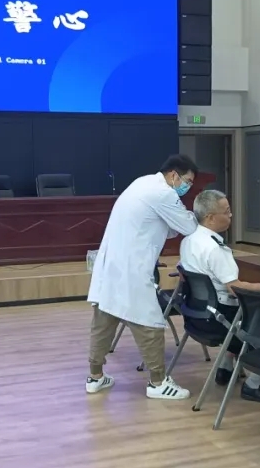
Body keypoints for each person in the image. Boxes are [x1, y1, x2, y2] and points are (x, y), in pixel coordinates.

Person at [86, 154, 200, 400]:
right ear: (174, 175)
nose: (187, 187)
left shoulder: (142, 183)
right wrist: (196, 216)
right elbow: (188, 227)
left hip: (110, 265)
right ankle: (158, 382)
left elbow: (161, 226)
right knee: (150, 322)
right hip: (132, 269)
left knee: (103, 321)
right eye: (188, 181)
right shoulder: (164, 193)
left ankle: (95, 377)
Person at [179, 189, 260, 405]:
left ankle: (225, 368)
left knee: (239, 319)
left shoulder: (189, 241)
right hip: (219, 319)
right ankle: (253, 385)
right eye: (226, 211)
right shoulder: (215, 248)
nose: (231, 215)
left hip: (197, 315)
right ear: (210, 217)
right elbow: (235, 289)